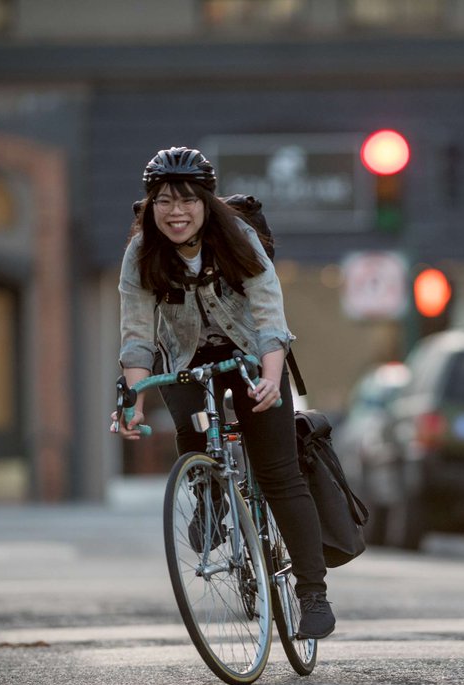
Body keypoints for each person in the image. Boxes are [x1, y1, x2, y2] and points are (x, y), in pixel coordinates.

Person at [111, 146, 334, 639]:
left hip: (253, 357)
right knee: (193, 434)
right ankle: (208, 493)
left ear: (207, 203)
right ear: (151, 206)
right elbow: (137, 334)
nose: (176, 212)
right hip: (188, 359)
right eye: (165, 201)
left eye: (188, 200)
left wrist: (272, 380)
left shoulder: (239, 239)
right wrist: (133, 398)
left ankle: (312, 594)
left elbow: (270, 315)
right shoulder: (141, 253)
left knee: (280, 474)